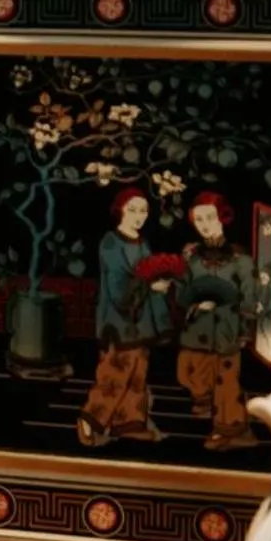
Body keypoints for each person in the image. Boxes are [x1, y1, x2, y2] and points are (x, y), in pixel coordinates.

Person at [79, 188, 175, 446]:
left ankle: (129, 422)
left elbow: (147, 273)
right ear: (120, 210)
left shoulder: (142, 243)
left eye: (143, 210)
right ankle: (91, 419)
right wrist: (148, 285)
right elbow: (118, 282)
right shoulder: (111, 242)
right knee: (115, 374)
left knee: (138, 374)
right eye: (132, 210)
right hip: (119, 319)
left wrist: (158, 283)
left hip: (140, 321)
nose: (138, 216)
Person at [175, 192, 260, 450]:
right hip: (197, 327)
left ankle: (231, 429)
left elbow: (249, 297)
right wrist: (193, 303)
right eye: (199, 218)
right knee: (188, 373)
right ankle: (203, 398)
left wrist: (245, 331)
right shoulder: (190, 257)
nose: (205, 223)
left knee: (227, 382)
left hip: (226, 329)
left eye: (210, 217)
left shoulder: (240, 259)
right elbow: (181, 291)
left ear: (222, 218)